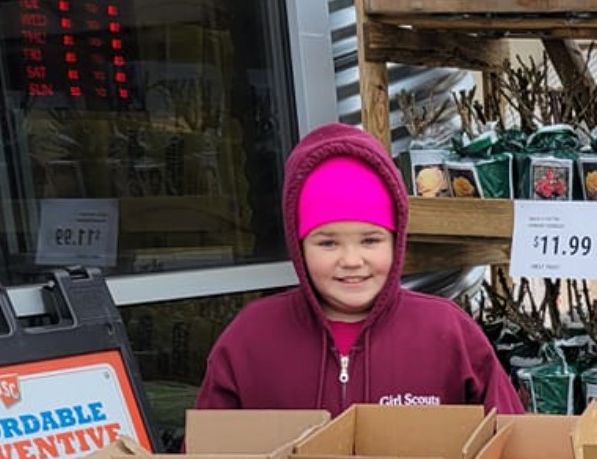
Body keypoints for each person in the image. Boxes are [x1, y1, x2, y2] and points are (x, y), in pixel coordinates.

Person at [195, 123, 523, 416]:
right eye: (328, 243)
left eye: (370, 240)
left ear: (397, 240)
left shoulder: (448, 334)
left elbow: (512, 451)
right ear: (298, 247)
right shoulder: (252, 339)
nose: (351, 260)